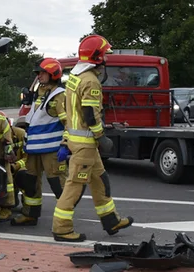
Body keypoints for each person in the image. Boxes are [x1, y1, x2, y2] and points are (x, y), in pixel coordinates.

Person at [51, 35, 133, 242]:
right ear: (98, 57)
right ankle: (61, 228)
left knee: (100, 181)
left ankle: (111, 220)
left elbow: (74, 114)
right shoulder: (91, 81)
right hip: (86, 143)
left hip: (81, 141)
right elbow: (89, 114)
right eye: (105, 55)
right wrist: (101, 136)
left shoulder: (75, 76)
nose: (107, 59)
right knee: (74, 186)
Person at [12, 58, 68, 226]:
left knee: (58, 184)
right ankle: (30, 214)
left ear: (53, 74)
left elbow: (69, 123)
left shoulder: (59, 96)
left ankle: (64, 219)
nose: (39, 76)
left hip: (51, 149)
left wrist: (65, 144)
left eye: (42, 73)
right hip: (34, 149)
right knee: (30, 183)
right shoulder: (42, 93)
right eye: (38, 73)